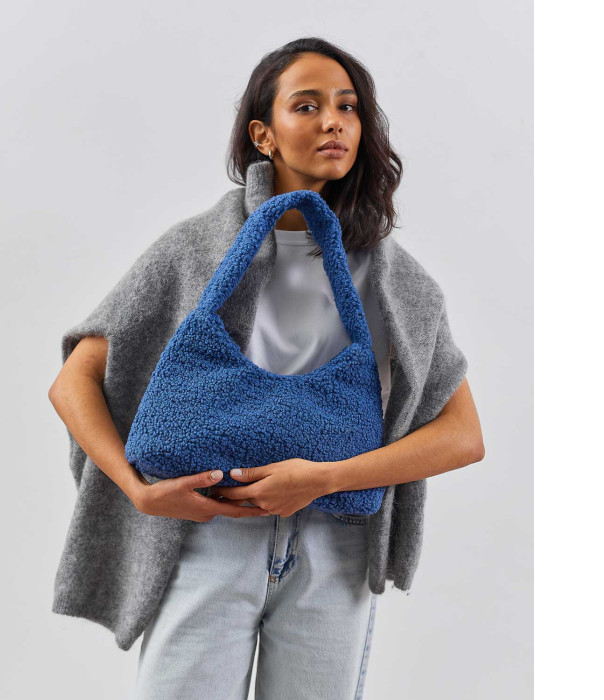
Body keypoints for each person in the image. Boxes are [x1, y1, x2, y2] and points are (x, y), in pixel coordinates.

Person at [49, 37, 484, 699]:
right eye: (306, 106)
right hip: (209, 536)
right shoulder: (196, 250)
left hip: (334, 546)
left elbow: (463, 436)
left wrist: (324, 478)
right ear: (264, 134)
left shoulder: (394, 278)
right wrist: (138, 492)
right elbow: (73, 381)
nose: (333, 121)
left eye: (347, 107)